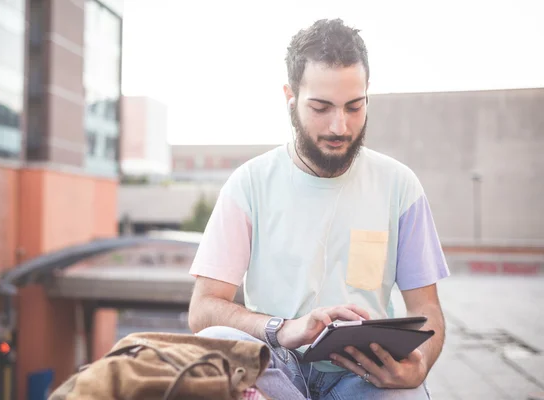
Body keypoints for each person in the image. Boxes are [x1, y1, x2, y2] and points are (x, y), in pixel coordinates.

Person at [187, 18, 449, 400]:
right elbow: (203, 311)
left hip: (365, 374)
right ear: (290, 97)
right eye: (321, 108)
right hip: (275, 364)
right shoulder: (249, 184)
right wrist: (284, 328)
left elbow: (429, 310)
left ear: (367, 94)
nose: (339, 127)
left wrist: (420, 363)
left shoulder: (400, 186)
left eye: (354, 107)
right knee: (214, 342)